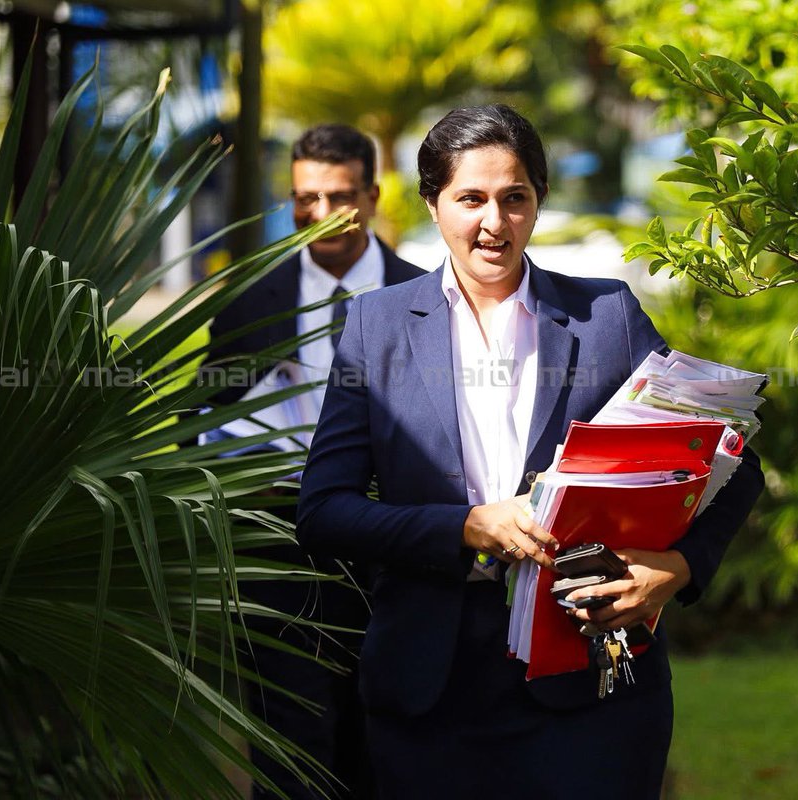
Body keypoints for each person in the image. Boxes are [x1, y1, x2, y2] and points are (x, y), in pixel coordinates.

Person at [296, 104, 763, 799]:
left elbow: (732, 465)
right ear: (432, 203)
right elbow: (323, 513)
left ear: (539, 199)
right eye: (471, 199)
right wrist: (464, 525)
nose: (494, 222)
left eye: (515, 198)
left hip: (590, 687)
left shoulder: (606, 317)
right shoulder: (377, 325)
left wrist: (675, 569)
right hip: (430, 689)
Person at [200, 123, 425, 800]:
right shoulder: (246, 304)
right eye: (304, 198)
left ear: (373, 195)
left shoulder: (430, 296)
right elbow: (201, 421)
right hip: (277, 558)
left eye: (337, 196)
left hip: (394, 561)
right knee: (287, 756)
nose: (318, 214)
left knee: (382, 748)